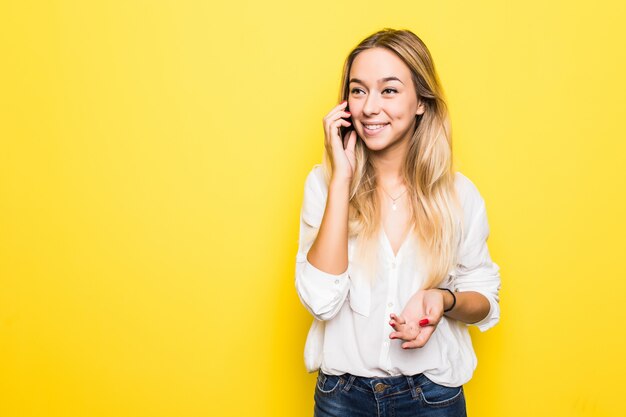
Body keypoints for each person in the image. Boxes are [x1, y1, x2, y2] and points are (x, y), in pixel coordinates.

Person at [295, 28, 501, 417]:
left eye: (388, 90)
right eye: (358, 91)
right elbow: (321, 301)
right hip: (342, 398)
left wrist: (444, 300)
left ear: (421, 102)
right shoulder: (324, 185)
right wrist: (341, 179)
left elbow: (484, 298)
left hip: (432, 398)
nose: (370, 107)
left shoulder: (459, 194)